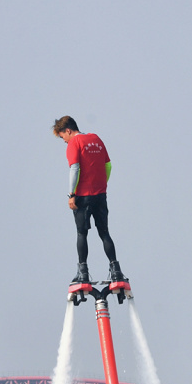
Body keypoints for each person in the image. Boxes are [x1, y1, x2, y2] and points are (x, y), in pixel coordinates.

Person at [53, 116, 126, 286]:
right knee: (104, 232)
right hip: (100, 195)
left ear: (68, 130)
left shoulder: (74, 143)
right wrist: (102, 184)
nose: (63, 140)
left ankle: (83, 273)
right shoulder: (96, 139)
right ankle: (116, 271)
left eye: (62, 136)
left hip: (82, 196)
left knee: (81, 233)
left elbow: (75, 167)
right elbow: (108, 166)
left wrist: (71, 194)